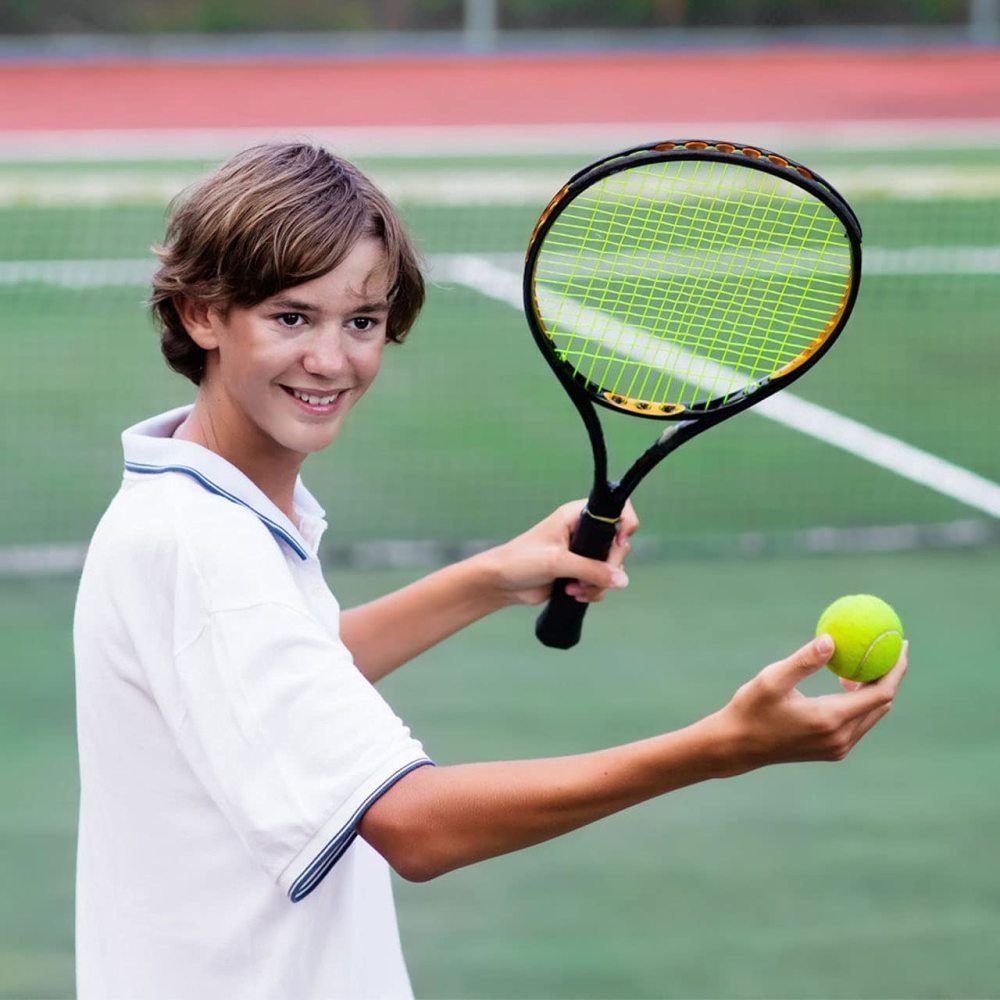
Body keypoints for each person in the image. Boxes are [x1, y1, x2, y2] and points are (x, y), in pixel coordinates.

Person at [73, 142, 907, 1000]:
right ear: (201, 314)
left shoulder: (203, 507)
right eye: (292, 318)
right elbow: (416, 829)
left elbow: (279, 677)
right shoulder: (205, 550)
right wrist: (720, 748)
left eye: (361, 321)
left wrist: (491, 578)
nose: (333, 359)